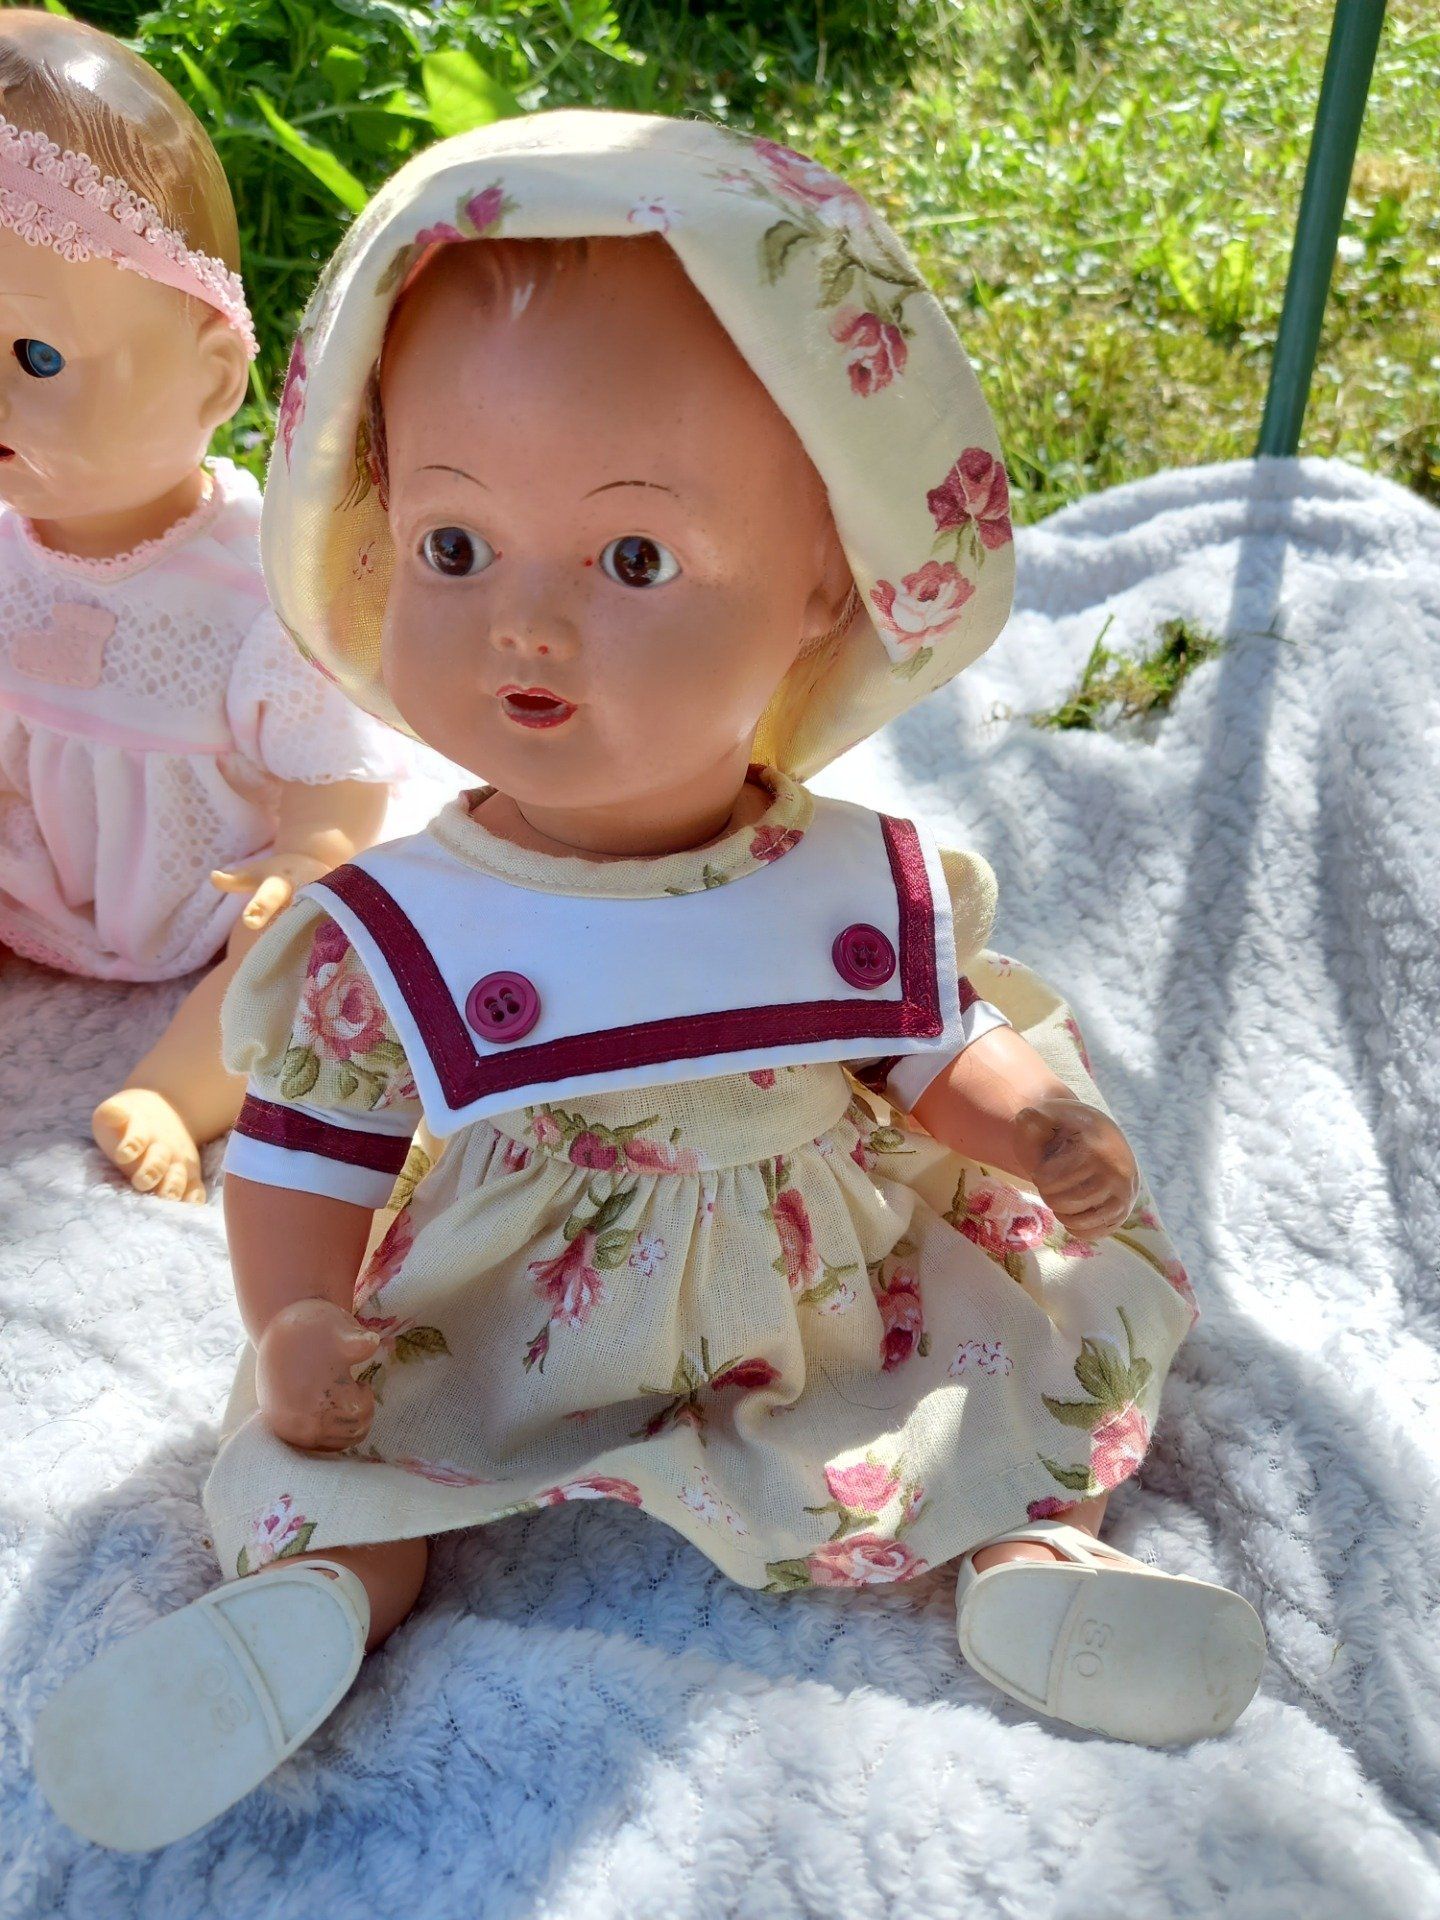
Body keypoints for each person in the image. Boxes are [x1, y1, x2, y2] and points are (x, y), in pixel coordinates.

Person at [34, 111, 1264, 1852]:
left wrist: (1030, 1126)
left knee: (985, 1373)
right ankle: (313, 1607)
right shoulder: (402, 928)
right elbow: (312, 1142)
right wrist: (297, 1320)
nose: (525, 624)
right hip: (508, 1299)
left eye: (632, 560)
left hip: (825, 1287)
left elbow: (930, 1049)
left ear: (827, 583)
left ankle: (1030, 1564)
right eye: (453, 546)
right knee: (340, 1447)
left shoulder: (849, 883)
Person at [0, 11, 406, 1201]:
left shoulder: (251, 587)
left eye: (35, 358)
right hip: (34, 870)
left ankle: (177, 1086)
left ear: (214, 379)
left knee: (318, 942)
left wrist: (307, 850)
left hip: (209, 888)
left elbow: (338, 773)